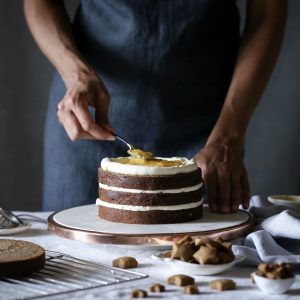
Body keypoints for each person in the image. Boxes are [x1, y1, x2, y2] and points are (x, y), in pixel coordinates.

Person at [24, 0, 287, 213]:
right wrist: (75, 73)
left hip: (208, 129)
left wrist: (229, 135)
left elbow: (267, 11)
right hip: (87, 116)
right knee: (74, 260)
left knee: (196, 261)